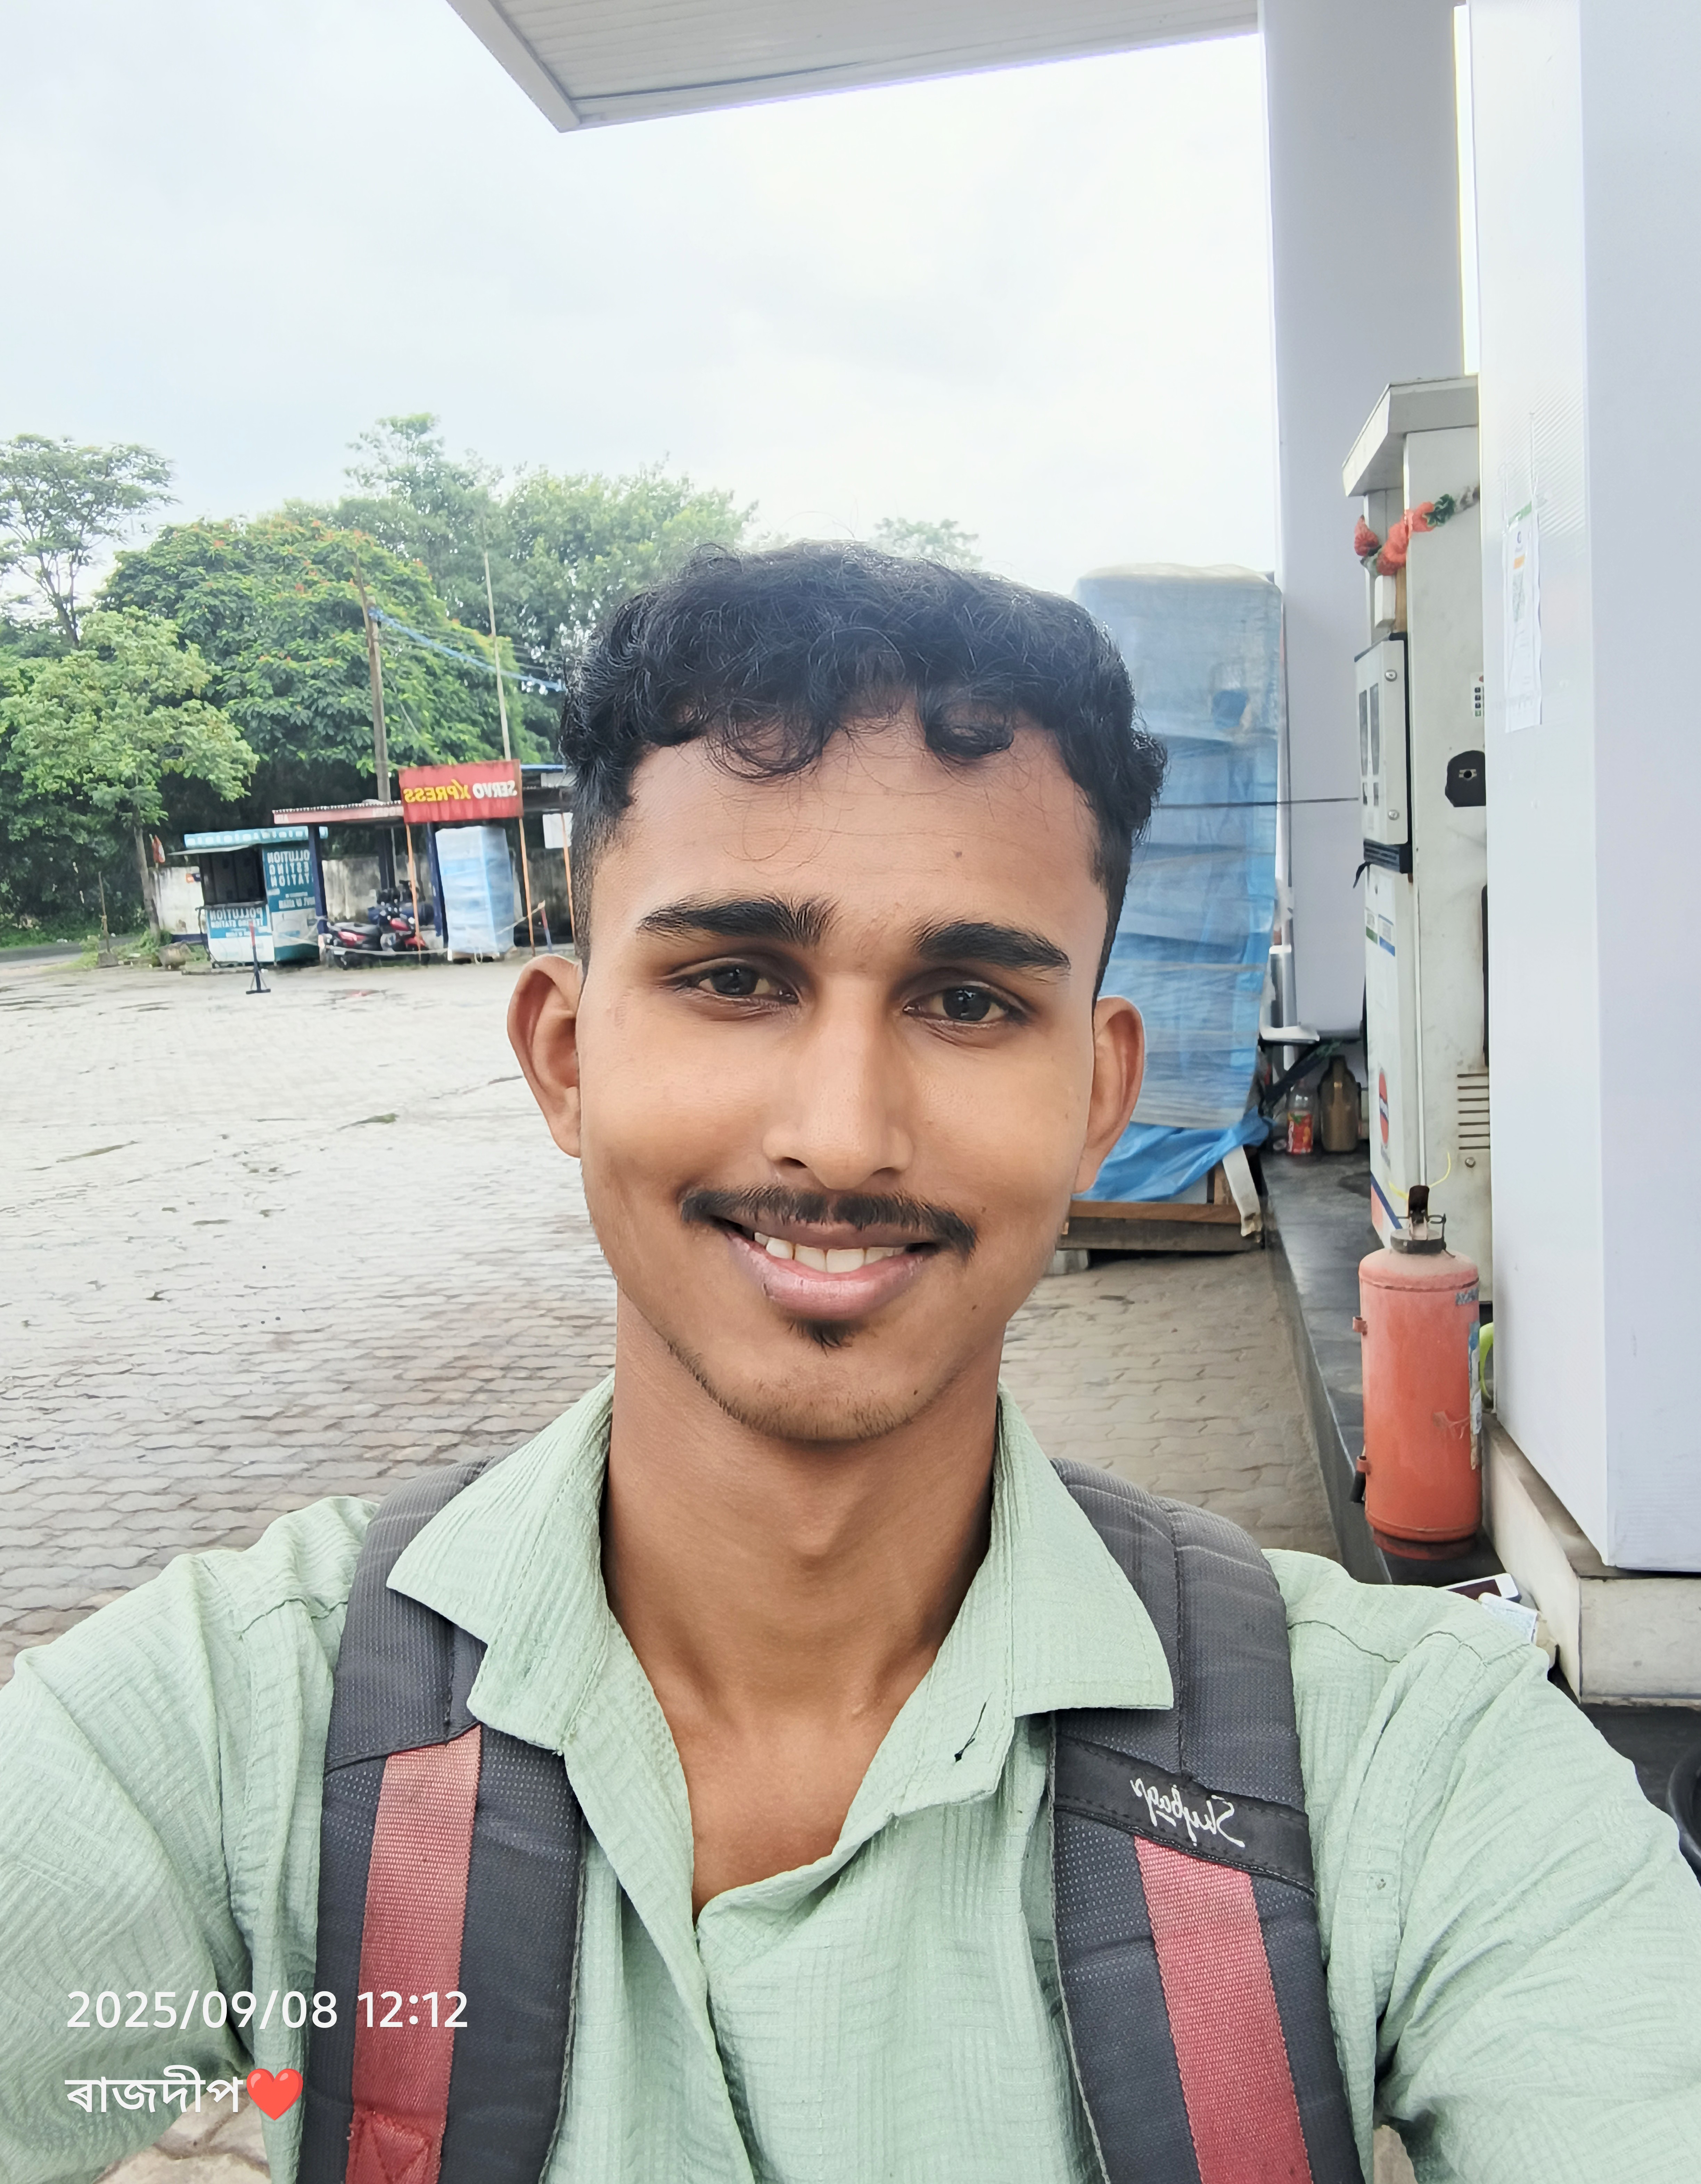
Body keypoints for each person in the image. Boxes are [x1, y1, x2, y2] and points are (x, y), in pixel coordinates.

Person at [2, 544, 1698, 2184]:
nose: (843, 1133)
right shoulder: (232, 1725)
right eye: (737, 978)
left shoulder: (1414, 1765)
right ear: (567, 1057)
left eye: (968, 1002)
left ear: (1101, 1095)